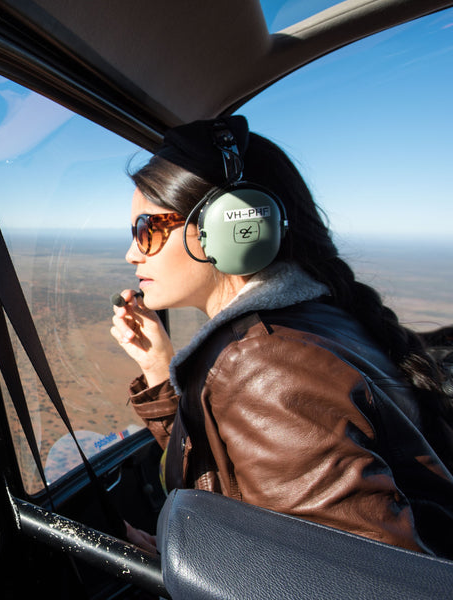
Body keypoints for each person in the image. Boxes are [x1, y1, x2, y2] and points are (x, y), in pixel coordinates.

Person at [110, 115, 453, 558]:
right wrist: (159, 367)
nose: (132, 252)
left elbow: (344, 580)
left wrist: (200, 576)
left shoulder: (265, 364)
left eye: (148, 229)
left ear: (232, 225)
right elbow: (238, 476)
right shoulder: (310, 324)